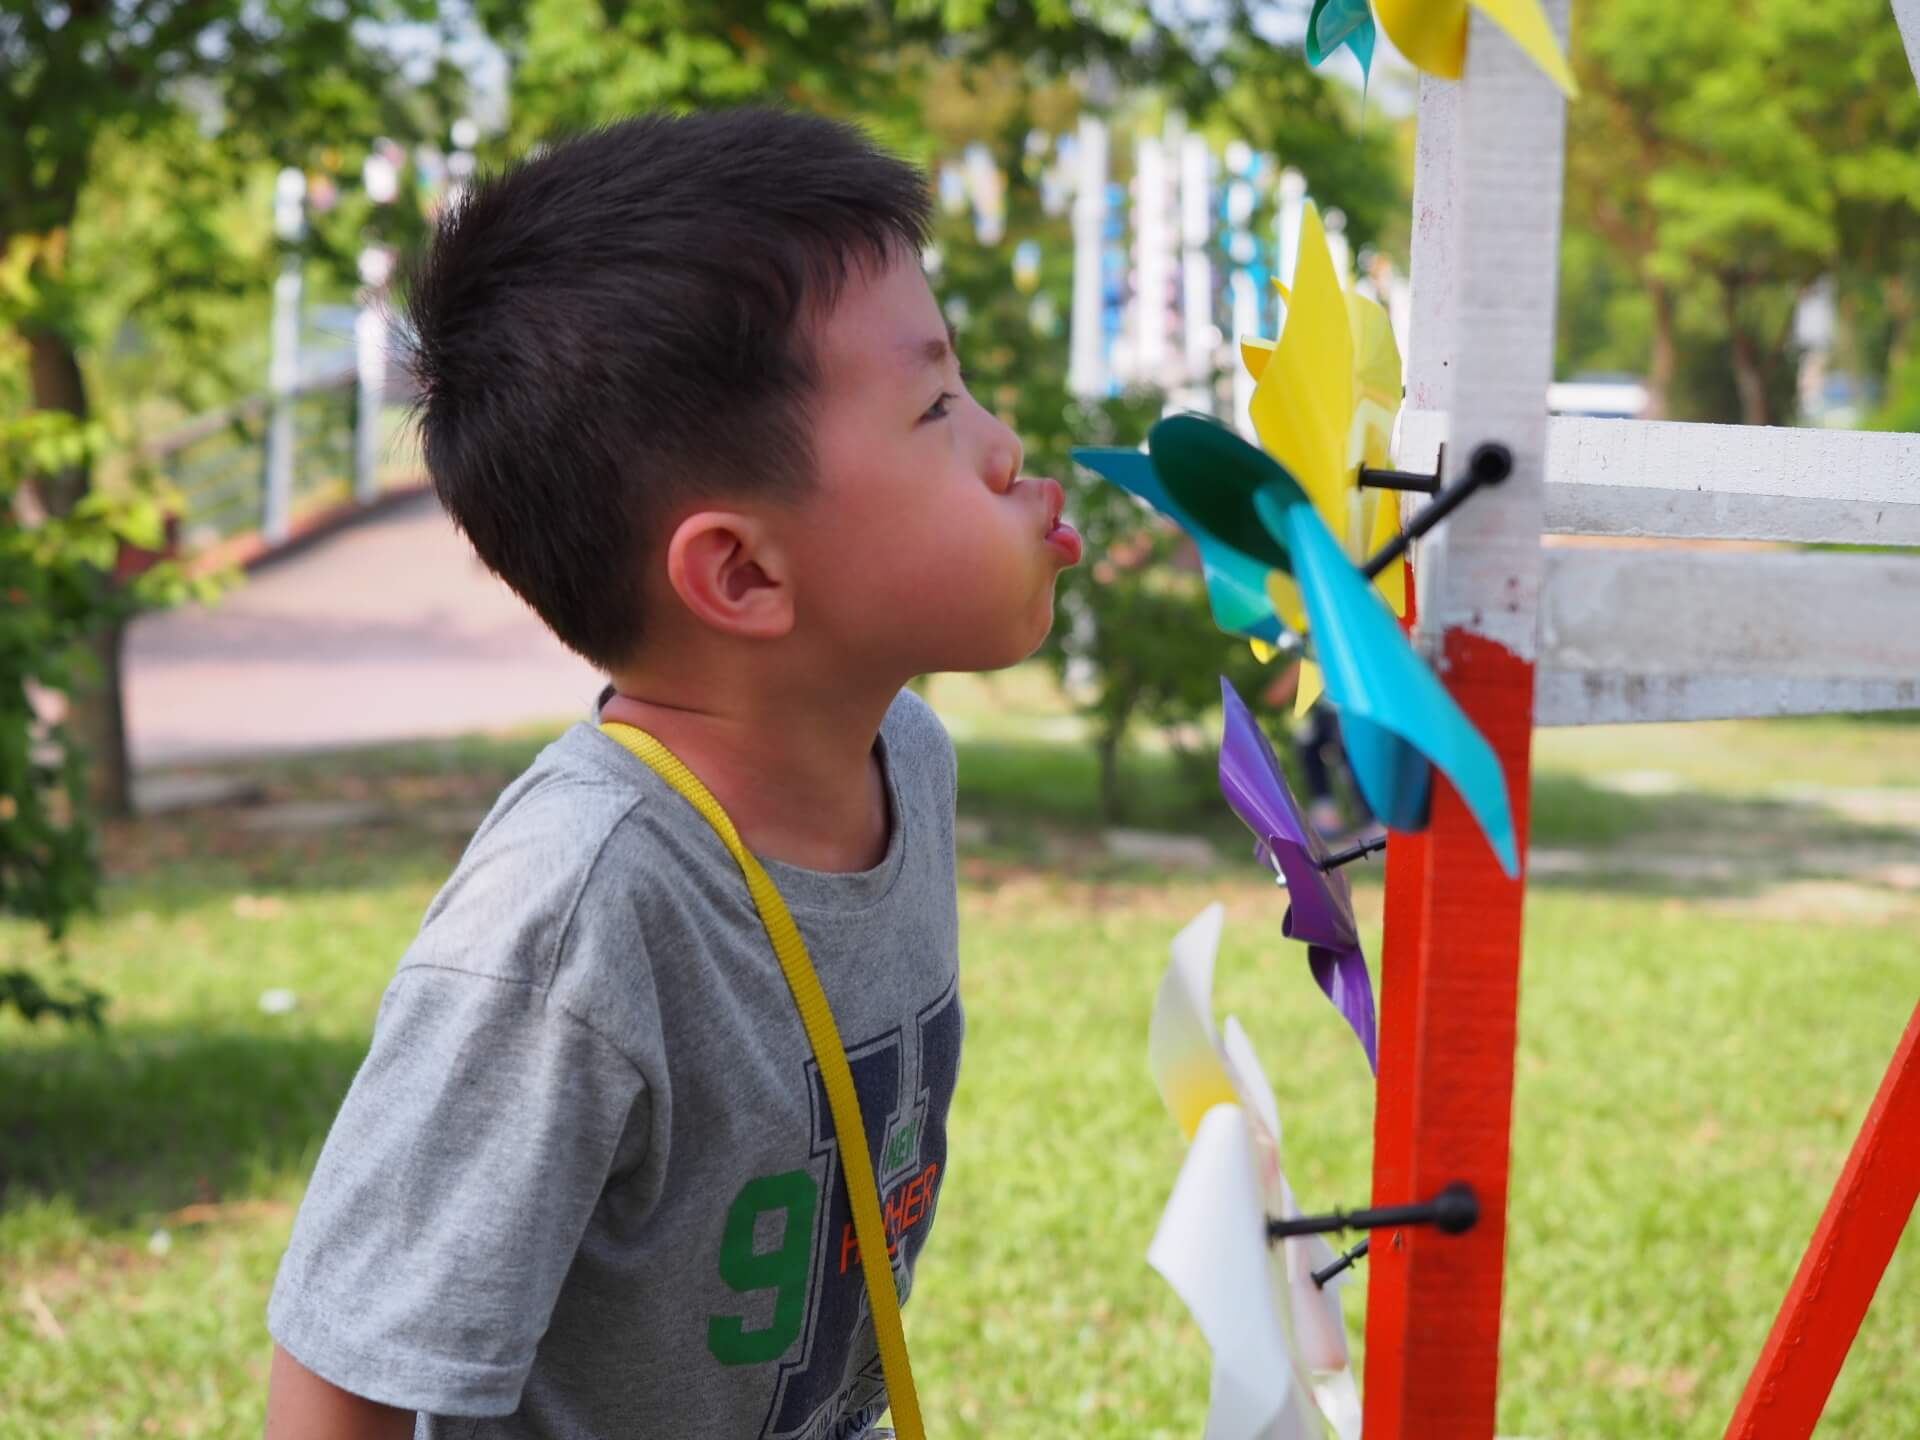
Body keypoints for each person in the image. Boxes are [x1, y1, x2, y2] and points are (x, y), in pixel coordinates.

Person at [263, 109, 1081, 1440]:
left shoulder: (905, 762)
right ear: (744, 573)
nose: (1001, 446)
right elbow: (342, 1378)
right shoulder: (571, 918)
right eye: (936, 406)